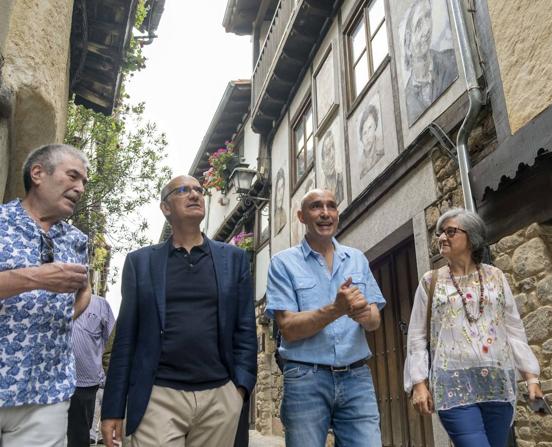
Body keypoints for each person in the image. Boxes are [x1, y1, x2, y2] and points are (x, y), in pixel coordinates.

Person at [100, 175, 257, 447]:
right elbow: (126, 338)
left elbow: (245, 329)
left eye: (198, 189)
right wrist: (113, 408)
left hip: (220, 396)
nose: (194, 194)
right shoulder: (141, 263)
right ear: (165, 208)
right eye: (183, 190)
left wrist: (239, 389)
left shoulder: (234, 259)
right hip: (157, 396)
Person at [404, 208, 543, 447]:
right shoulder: (431, 281)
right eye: (440, 233)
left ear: (472, 237)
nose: (442, 238)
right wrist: (419, 383)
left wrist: (531, 378)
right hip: (452, 386)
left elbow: (513, 329)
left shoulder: (496, 277)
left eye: (450, 231)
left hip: (497, 385)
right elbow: (417, 335)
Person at [266, 188, 385, 446]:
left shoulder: (357, 259)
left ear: (338, 215)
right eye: (316, 207)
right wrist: (336, 309)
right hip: (305, 378)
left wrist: (365, 314)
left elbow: (375, 320)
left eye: (331, 206)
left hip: (356, 377)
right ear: (301, 216)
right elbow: (288, 328)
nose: (325, 213)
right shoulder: (283, 263)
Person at [0, 144, 91, 446]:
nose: (80, 188)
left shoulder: (77, 240)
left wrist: (65, 314)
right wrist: (36, 278)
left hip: (47, 392)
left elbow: (84, 291)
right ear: (38, 173)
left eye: (84, 182)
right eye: (73, 176)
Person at [67, 294, 115, 447]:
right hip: (49, 382)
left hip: (85, 384)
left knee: (79, 436)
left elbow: (113, 345)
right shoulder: (50, 297)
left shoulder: (101, 305)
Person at [402, 0, 458, 125]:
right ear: (408, 41)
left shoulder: (450, 60)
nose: (427, 29)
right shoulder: (407, 99)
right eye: (419, 25)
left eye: (427, 17)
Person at [358, 104, 384, 178]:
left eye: (370, 128)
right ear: (361, 137)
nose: (367, 137)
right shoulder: (360, 165)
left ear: (375, 126)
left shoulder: (383, 146)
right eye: (364, 133)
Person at [320, 130, 344, 204]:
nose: (330, 156)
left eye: (331, 149)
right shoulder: (321, 192)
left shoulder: (341, 179)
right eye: (327, 152)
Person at [273, 167, 288, 235]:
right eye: (278, 189)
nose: (280, 193)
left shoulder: (284, 216)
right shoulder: (275, 218)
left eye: (282, 188)